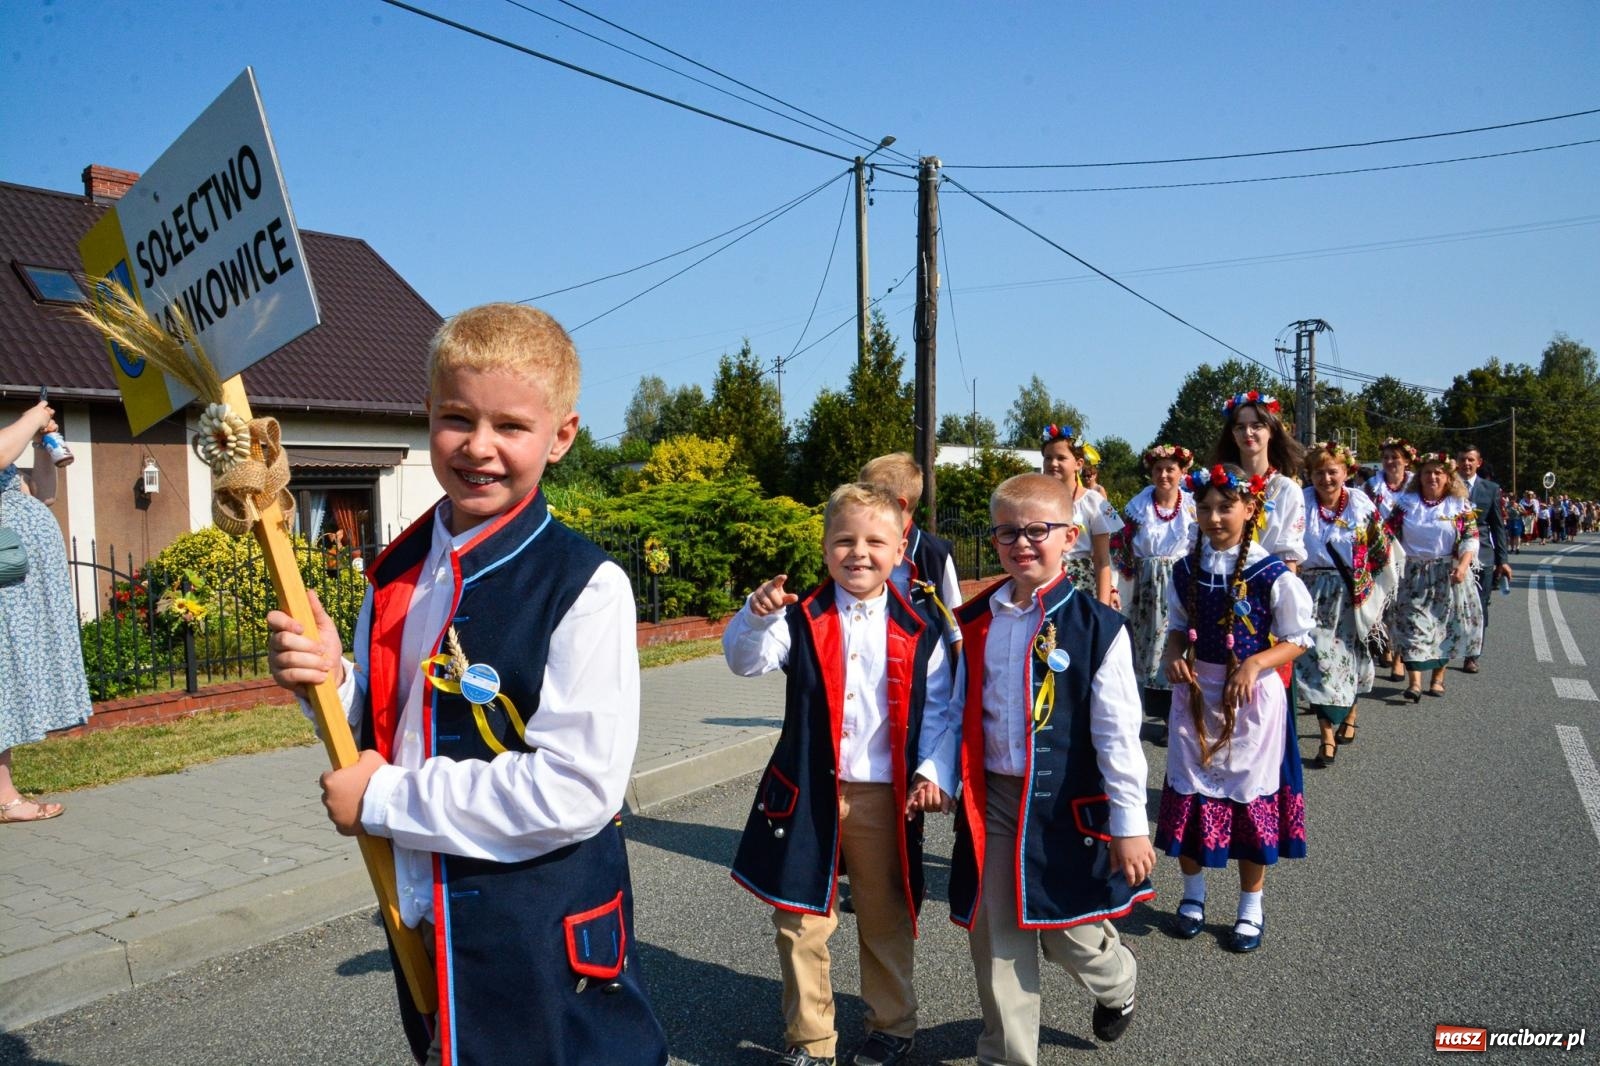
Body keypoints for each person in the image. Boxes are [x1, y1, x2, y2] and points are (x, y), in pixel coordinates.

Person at [266, 303, 667, 1066]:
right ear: (427, 416)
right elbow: (396, 725)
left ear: (561, 437)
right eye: (457, 418)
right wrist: (333, 678)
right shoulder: (396, 572)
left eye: (511, 426)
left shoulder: (586, 586)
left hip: (540, 941)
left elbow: (577, 788)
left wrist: (384, 801)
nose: (479, 447)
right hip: (425, 919)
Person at [724, 482, 960, 1066]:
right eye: (844, 540)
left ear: (902, 548)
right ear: (826, 546)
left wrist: (934, 772)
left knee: (884, 916)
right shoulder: (799, 617)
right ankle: (811, 1040)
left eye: (874, 541)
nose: (858, 552)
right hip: (808, 791)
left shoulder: (918, 624)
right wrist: (754, 619)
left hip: (884, 795)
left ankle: (892, 1025)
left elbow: (941, 710)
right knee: (801, 919)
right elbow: (744, 662)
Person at [948, 473, 1155, 1062]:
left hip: (1064, 805)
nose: (1022, 543)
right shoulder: (975, 619)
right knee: (997, 940)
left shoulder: (1098, 628)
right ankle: (1007, 1056)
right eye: (1007, 532)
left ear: (1068, 536)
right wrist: (936, 773)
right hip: (992, 801)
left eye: (1037, 530)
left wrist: (1130, 823)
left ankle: (1117, 980)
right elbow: (953, 710)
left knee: (1069, 933)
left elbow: (1119, 736)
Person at [1156, 463, 1313, 954]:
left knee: (1249, 799)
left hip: (1251, 702)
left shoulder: (1271, 573)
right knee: (1191, 793)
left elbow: (1297, 639)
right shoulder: (1184, 569)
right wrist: (1170, 654)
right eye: (1204, 508)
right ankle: (1193, 895)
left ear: (1250, 508)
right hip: (1197, 695)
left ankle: (1250, 907)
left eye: (1226, 507)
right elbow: (1178, 627)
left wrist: (1254, 665)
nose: (1215, 516)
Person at [0, 400, 92, 823]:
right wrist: (32, 419)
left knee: (8, 689)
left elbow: (43, 493)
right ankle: (5, 799)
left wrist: (40, 445)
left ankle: (4, 794)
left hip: (17, 591)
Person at [1296, 443, 1391, 768]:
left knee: (1351, 657)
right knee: (1316, 660)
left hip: (1350, 594)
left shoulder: (1360, 503)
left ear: (1346, 472)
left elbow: (1382, 549)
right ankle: (1326, 736)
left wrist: (1368, 588)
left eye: (1332, 471)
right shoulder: (1302, 503)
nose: (1325, 478)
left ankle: (1350, 711)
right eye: (1319, 472)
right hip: (1310, 592)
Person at [1110, 443, 1198, 746]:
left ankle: (1175, 716)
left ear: (1182, 472)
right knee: (1144, 648)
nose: (1164, 475)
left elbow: (1199, 544)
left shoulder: (1191, 506)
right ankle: (1143, 712)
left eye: (1170, 469)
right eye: (1159, 469)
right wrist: (1126, 577)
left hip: (1180, 580)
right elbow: (1119, 543)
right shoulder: (1138, 506)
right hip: (1146, 587)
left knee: (1175, 645)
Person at [1388, 453, 1481, 702]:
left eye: (1438, 473)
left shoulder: (1458, 505)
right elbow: (1387, 534)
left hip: (1446, 574)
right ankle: (1415, 682)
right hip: (1412, 574)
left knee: (1444, 628)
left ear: (1448, 477)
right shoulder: (1406, 504)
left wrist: (1462, 565)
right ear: (1419, 476)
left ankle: (1438, 678)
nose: (1432, 477)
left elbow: (1471, 537)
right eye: (1428, 472)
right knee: (1413, 627)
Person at [1209, 392, 1306, 571]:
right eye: (1240, 427)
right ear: (1232, 434)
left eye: (1256, 426)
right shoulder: (1219, 485)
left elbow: (1288, 556)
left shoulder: (1286, 489)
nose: (1248, 433)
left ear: (1271, 431)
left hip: (1270, 584)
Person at [858, 452, 963, 614]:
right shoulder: (860, 548)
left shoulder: (935, 554)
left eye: (868, 497)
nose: (860, 503)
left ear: (898, 505)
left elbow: (955, 622)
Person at [1040, 424, 1120, 606]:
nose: (1053, 463)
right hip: (1046, 583)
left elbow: (1101, 560)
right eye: (1048, 458)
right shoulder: (1038, 502)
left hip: (1082, 587)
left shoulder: (1093, 501)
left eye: (1061, 458)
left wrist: (1102, 606)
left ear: (1078, 464)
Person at [1362, 437, 1417, 682]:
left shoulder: (1416, 485)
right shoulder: (1372, 486)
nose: (1390, 461)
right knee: (1382, 605)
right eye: (1386, 457)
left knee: (1403, 605)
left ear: (1406, 460)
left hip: (1409, 552)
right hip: (1380, 552)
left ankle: (1398, 659)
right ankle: (1386, 646)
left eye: (1395, 457)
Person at [1455, 445, 1510, 674]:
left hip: (1482, 555)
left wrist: (1502, 560)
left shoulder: (1491, 489)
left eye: (1470, 460)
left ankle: (1472, 655)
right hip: (1454, 554)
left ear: (1479, 462)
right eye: (1462, 460)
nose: (1466, 464)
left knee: (1480, 605)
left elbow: (1498, 527)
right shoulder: (1448, 485)